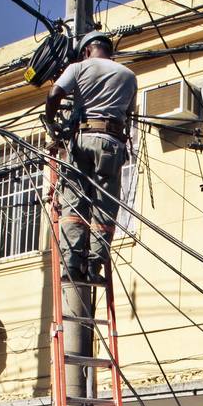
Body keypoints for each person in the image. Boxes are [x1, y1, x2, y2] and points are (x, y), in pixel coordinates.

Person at [44, 30, 137, 284]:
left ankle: (72, 267)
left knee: (74, 204)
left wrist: (51, 122)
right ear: (110, 52)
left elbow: (54, 95)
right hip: (111, 144)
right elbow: (128, 114)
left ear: (86, 51)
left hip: (81, 139)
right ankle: (94, 266)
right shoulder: (128, 76)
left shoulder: (78, 68)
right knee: (104, 207)